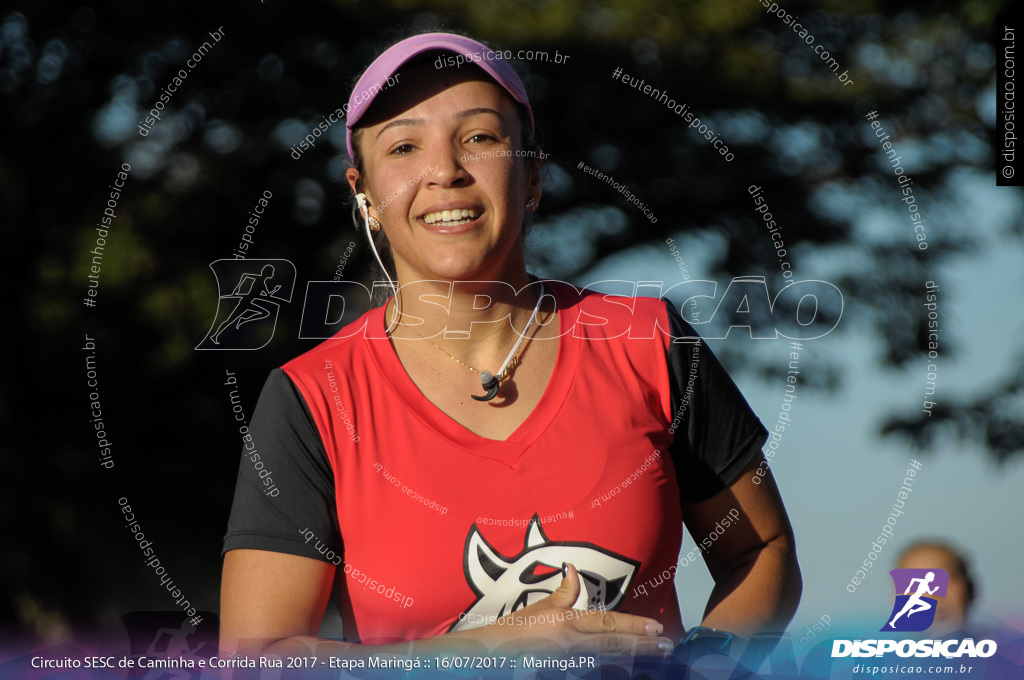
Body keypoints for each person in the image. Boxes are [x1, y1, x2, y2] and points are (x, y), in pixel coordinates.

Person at [219, 32, 801, 661]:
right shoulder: (313, 397)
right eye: (405, 146)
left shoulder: (650, 342)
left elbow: (760, 550)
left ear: (532, 177)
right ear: (366, 195)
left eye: (480, 137)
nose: (445, 170)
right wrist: (481, 653)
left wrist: (704, 666)